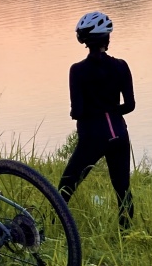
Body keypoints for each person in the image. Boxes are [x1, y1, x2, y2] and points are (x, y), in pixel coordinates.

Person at [57, 11, 135, 228]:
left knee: (67, 185)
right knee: (122, 188)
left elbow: (78, 111)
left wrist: (84, 113)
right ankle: (126, 232)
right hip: (119, 133)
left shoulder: (77, 70)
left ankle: (53, 226)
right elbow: (130, 105)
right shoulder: (121, 66)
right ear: (107, 38)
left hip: (93, 136)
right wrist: (110, 110)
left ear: (83, 41)